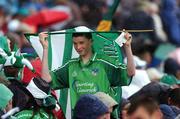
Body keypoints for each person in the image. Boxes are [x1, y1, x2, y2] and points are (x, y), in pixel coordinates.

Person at [39, 29, 135, 117]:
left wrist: (128, 47)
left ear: (91, 42)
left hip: (101, 116)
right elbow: (46, 79)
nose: (78, 47)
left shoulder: (103, 62)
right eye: (75, 43)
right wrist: (45, 48)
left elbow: (130, 72)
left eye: (81, 43)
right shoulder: (71, 66)